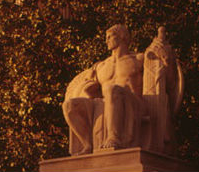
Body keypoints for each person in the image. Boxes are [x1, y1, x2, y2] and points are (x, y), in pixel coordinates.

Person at [63, 25, 149, 153]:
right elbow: (90, 92)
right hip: (105, 102)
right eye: (106, 37)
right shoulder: (101, 66)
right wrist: (89, 90)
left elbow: (162, 74)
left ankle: (114, 137)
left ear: (122, 37)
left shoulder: (139, 59)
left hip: (133, 103)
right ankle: (87, 144)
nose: (106, 40)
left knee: (111, 89)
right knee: (70, 105)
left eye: (110, 37)